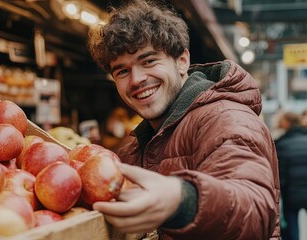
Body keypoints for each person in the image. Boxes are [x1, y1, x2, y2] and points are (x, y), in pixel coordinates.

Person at [87, 0, 280, 239]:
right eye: (122, 71)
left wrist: (183, 200)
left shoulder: (226, 120)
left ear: (182, 61)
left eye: (149, 61)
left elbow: (255, 210)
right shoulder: (134, 149)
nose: (136, 79)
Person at [275, 111, 307, 240]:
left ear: (287, 123)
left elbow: (280, 173)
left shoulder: (282, 144)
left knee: (292, 226)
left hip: (291, 194)